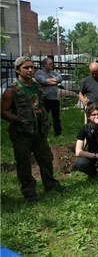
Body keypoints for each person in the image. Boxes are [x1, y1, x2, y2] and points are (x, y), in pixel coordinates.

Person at [0, 56, 64, 201]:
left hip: (39, 131)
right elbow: (3, 111)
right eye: (26, 68)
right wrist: (19, 119)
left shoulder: (36, 86)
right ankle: (29, 193)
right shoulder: (12, 90)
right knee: (24, 163)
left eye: (32, 67)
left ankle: (51, 184)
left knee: (46, 158)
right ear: (18, 70)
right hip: (22, 134)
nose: (30, 70)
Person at [35, 57, 63, 136]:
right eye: (50, 64)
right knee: (43, 117)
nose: (52, 65)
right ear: (44, 64)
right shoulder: (39, 73)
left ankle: (58, 133)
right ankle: (42, 133)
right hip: (45, 98)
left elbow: (60, 78)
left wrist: (49, 81)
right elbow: (43, 81)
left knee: (56, 117)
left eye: (52, 63)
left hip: (55, 98)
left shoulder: (53, 72)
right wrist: (54, 81)